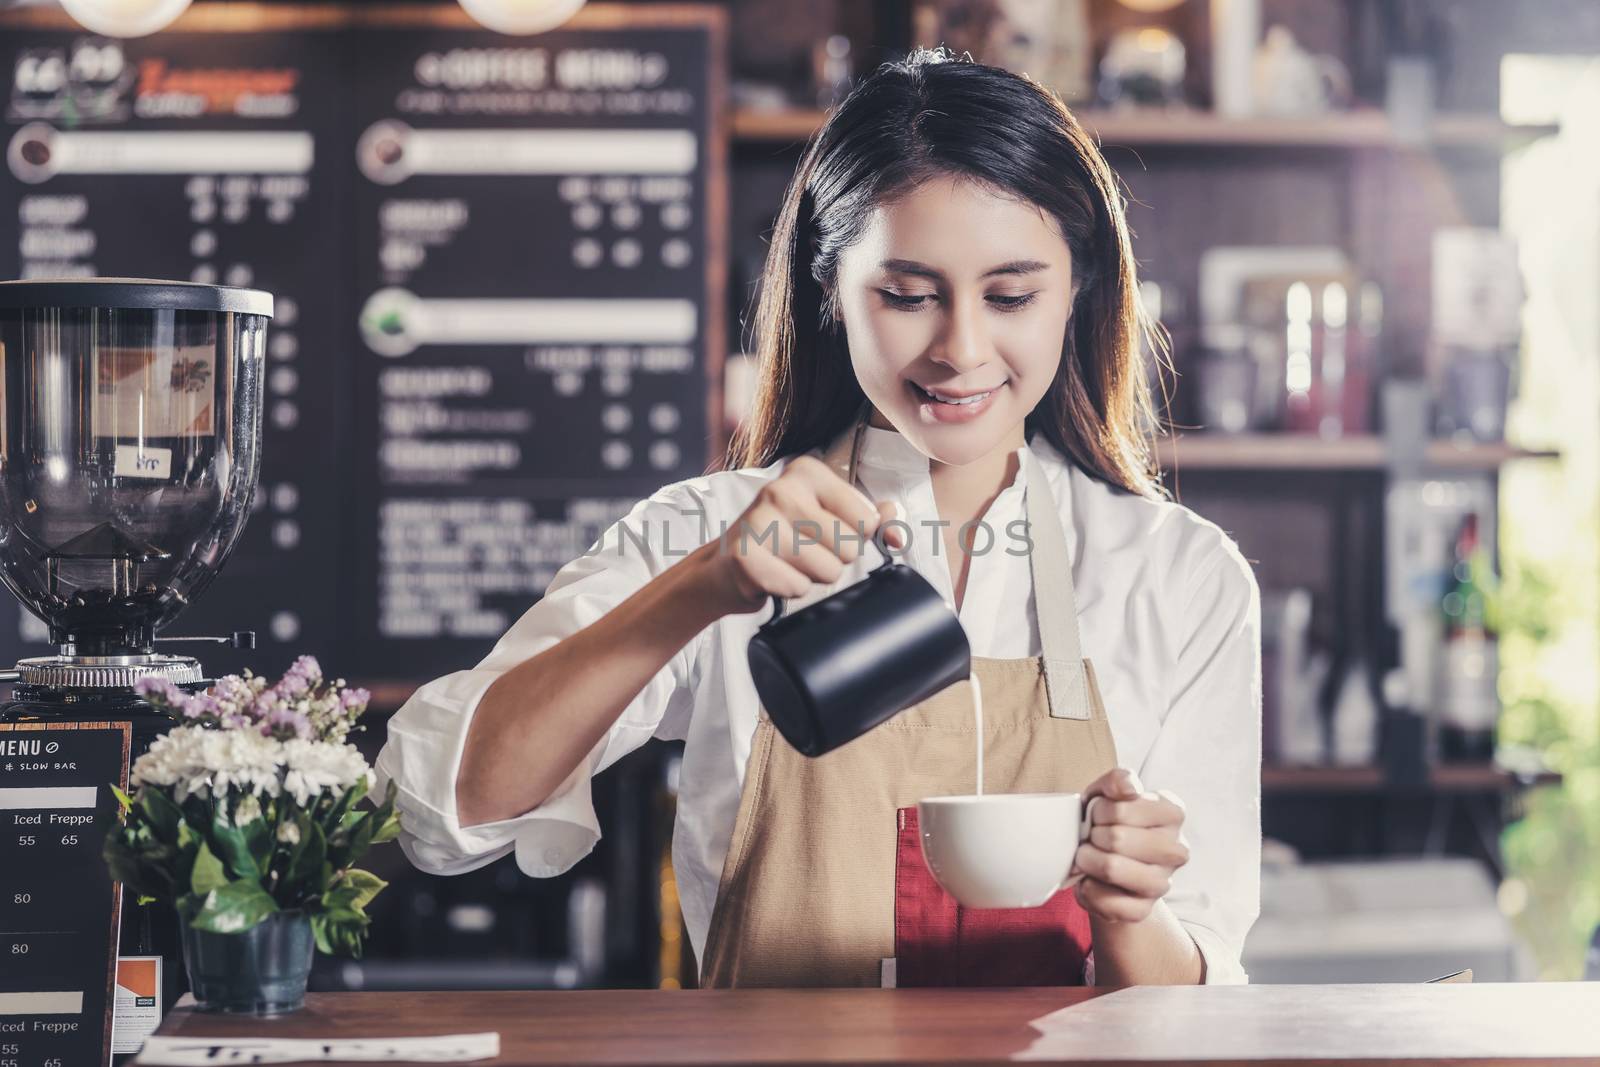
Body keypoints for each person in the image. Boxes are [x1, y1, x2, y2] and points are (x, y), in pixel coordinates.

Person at [375, 49, 1261, 988]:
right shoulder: (707, 532)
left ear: (1079, 291)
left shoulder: (1180, 574)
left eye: (1011, 296)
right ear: (830, 289)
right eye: (908, 295)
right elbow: (434, 811)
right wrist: (701, 588)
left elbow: (1190, 992)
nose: (961, 350)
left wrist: (1129, 910)